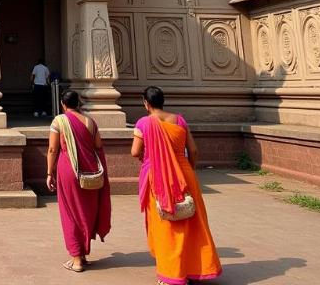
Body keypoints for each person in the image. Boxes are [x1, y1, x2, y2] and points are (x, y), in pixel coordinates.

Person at [131, 85, 222, 285]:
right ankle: (196, 268)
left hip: (157, 176)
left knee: (165, 223)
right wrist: (188, 169)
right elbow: (194, 150)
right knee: (193, 223)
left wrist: (150, 156)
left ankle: (172, 273)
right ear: (162, 101)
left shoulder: (144, 123)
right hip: (185, 174)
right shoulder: (180, 120)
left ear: (145, 103)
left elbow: (135, 151)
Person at [47, 89, 111, 273]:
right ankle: (82, 254)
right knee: (85, 212)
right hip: (90, 172)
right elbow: (98, 146)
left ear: (63, 104)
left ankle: (76, 259)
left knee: (70, 213)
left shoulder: (59, 121)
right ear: (79, 104)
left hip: (69, 171)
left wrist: (49, 173)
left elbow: (52, 149)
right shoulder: (90, 122)